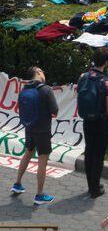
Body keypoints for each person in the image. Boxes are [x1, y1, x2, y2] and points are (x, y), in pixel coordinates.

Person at [11, 66, 58, 205]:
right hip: (43, 130)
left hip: (29, 127)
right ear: (38, 73)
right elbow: (55, 111)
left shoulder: (24, 89)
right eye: (42, 71)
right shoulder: (46, 89)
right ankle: (39, 194)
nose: (44, 73)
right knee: (42, 160)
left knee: (27, 153)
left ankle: (17, 184)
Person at [77, 47, 108, 198]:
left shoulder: (83, 76)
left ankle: (90, 185)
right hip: (101, 122)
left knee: (89, 151)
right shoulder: (106, 82)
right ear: (105, 62)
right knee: (98, 155)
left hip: (87, 120)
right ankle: (95, 188)